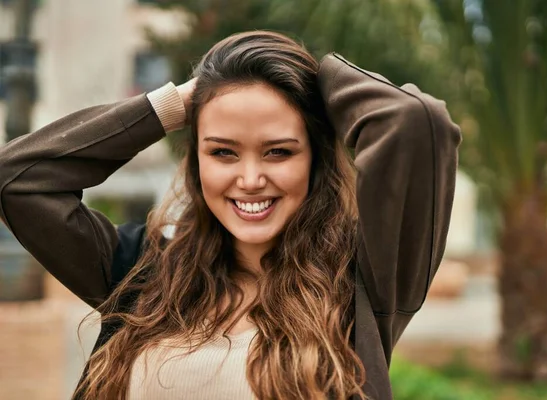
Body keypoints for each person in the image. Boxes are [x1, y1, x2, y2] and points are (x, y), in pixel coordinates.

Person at [0, 31, 460, 400]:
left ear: (315, 160)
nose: (251, 178)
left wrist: (314, 82)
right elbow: (18, 179)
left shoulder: (363, 276)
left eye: (278, 151)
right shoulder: (142, 269)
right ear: (196, 159)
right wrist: (174, 105)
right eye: (223, 152)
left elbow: (416, 123)